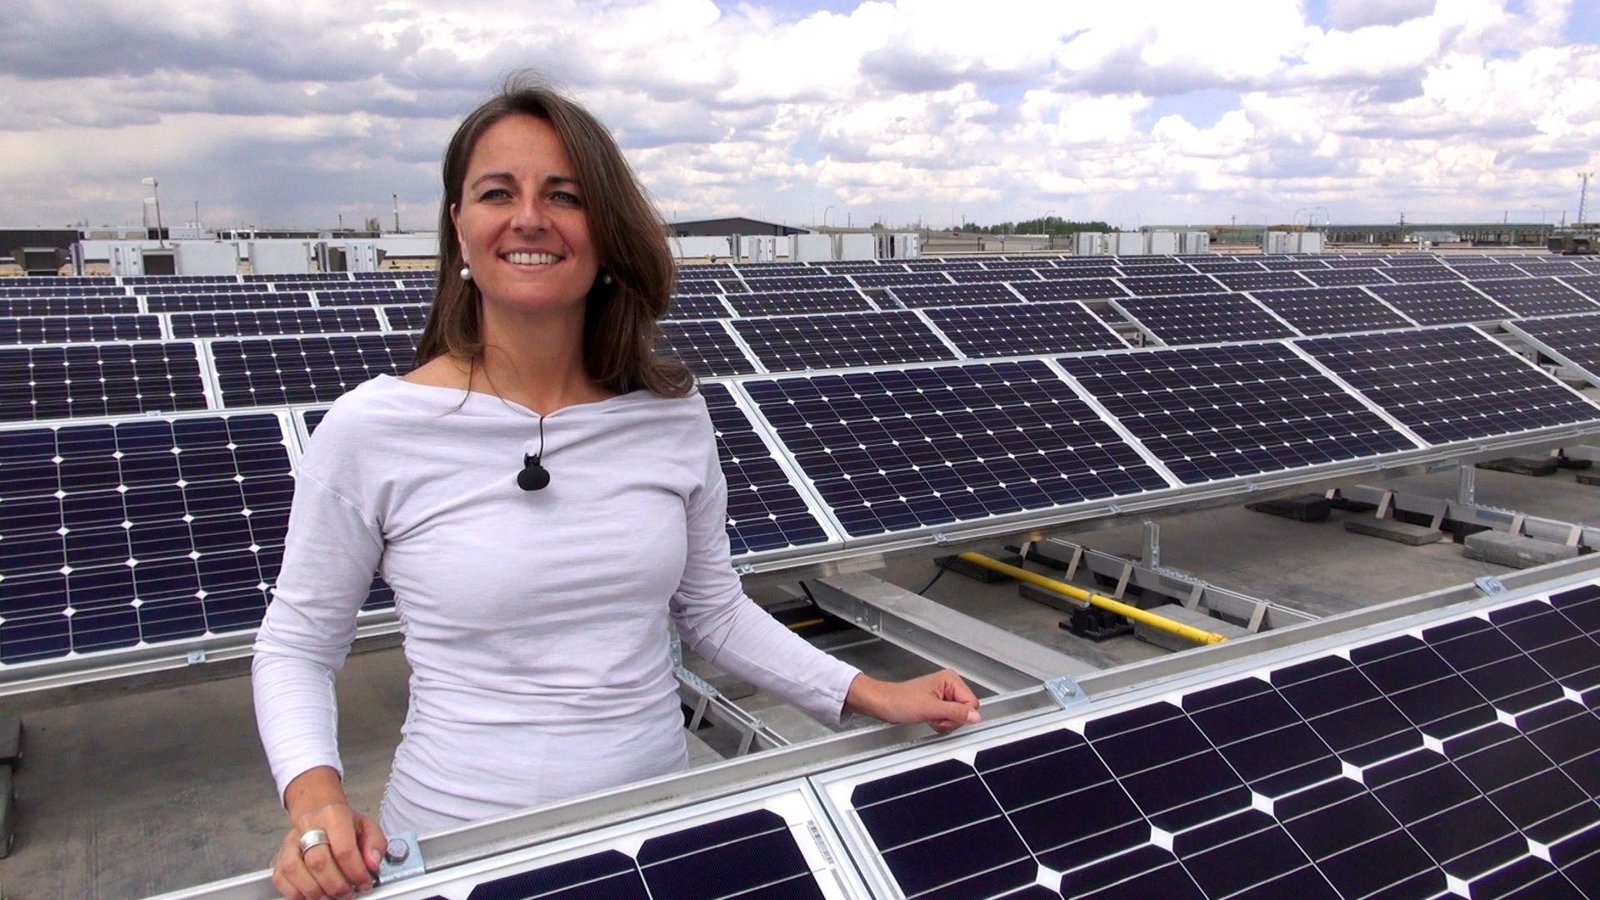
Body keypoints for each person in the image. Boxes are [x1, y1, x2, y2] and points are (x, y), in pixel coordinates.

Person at [252, 74, 981, 900]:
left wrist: (867, 691)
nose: (530, 217)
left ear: (604, 231)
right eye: (498, 192)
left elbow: (712, 609)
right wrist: (317, 804)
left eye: (564, 195)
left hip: (657, 839)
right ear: (458, 226)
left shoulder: (670, 416)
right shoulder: (373, 429)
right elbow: (297, 645)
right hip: (458, 853)